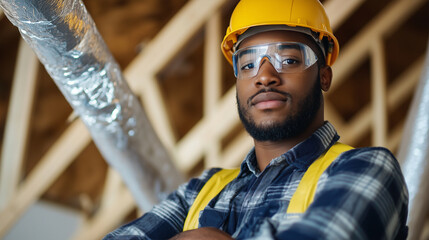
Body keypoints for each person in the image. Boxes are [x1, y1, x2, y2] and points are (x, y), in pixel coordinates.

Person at [104, 0, 409, 239]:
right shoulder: (201, 190)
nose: (264, 76)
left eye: (289, 60)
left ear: (324, 76)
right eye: (247, 64)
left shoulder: (369, 168)